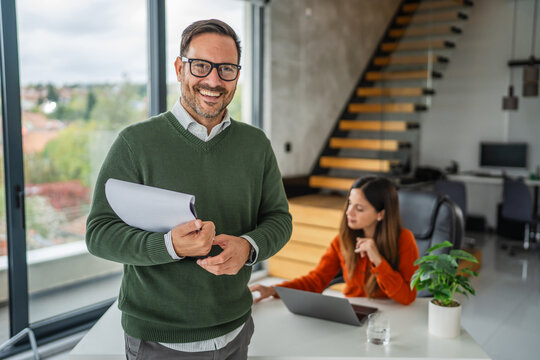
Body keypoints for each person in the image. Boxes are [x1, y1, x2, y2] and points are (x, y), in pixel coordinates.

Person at [86, 19, 292, 360]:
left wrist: (248, 247)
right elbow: (99, 234)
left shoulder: (255, 144)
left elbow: (279, 219)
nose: (213, 80)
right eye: (201, 66)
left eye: (226, 69)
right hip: (159, 341)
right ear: (181, 67)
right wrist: (169, 245)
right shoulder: (135, 143)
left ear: (237, 75)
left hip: (236, 330)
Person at [250, 176, 419, 305]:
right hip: (354, 313)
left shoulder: (404, 240)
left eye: (359, 208)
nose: (349, 213)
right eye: (350, 204)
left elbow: (407, 297)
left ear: (381, 214)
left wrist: (378, 260)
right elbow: (315, 281)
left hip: (391, 319)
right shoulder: (343, 241)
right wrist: (272, 290)